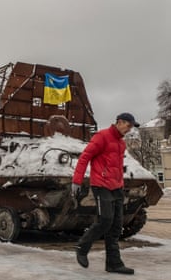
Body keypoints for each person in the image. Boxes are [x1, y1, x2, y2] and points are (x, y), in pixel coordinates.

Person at [71, 112, 140, 275]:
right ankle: (82, 246)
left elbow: (118, 166)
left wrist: (121, 184)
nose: (129, 130)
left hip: (116, 187)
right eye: (128, 126)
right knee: (105, 220)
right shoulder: (102, 137)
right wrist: (77, 180)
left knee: (116, 226)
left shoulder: (121, 144)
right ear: (120, 122)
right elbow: (85, 157)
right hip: (101, 186)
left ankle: (114, 264)